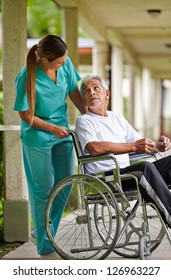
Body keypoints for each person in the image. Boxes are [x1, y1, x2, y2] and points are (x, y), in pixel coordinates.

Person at [13, 35, 86, 259]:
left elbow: (74, 90)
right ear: (44, 60)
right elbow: (25, 114)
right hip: (37, 136)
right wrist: (51, 129)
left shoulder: (64, 62)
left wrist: (92, 116)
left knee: (65, 183)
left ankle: (44, 231)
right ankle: (46, 245)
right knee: (42, 190)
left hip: (62, 131)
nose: (63, 64)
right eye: (58, 62)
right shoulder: (27, 76)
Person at [75, 74, 171, 229]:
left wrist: (157, 146)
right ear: (85, 100)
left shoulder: (117, 118)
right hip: (104, 178)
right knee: (144, 168)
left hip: (123, 173)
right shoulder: (84, 120)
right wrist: (133, 147)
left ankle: (168, 200)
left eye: (96, 88)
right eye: (87, 91)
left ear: (106, 94)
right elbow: (94, 148)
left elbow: (139, 143)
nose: (92, 92)